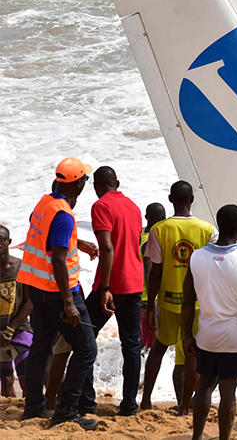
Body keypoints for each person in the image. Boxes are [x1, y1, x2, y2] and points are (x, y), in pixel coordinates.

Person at [18, 157, 100, 429]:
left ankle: (34, 407)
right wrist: (69, 302)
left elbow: (45, 235)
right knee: (86, 349)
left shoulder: (45, 202)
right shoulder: (63, 214)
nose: (85, 183)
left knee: (41, 347)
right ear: (78, 184)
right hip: (58, 292)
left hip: (36, 288)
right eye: (84, 179)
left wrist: (78, 241)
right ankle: (65, 410)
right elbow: (57, 260)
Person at [182, 204, 237, 440]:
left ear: (219, 226)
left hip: (207, 335)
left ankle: (197, 437)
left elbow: (187, 302)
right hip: (235, 338)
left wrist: (187, 335)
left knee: (204, 386)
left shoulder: (196, 257)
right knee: (228, 391)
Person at [141, 180, 215, 414]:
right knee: (191, 352)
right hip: (197, 304)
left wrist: (151, 305)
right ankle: (184, 406)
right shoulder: (208, 230)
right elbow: (214, 269)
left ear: (171, 200)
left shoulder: (159, 229)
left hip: (168, 302)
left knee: (159, 348)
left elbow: (155, 273)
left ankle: (145, 401)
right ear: (192, 200)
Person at [79, 166, 144, 416]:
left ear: (96, 186)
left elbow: (107, 248)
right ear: (117, 183)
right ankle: (129, 405)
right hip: (134, 282)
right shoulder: (133, 206)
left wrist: (105, 288)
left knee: (84, 339)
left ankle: (86, 402)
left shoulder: (101, 206)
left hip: (111, 285)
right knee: (131, 345)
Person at [0, 223, 33, 397]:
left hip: (19, 330)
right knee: (6, 383)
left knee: (27, 379)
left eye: (1, 239)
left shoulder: (21, 267)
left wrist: (10, 329)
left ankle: (32, 410)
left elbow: (29, 301)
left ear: (9, 242)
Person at [139, 202, 166, 349]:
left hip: (138, 295)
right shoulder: (150, 241)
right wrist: (151, 304)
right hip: (148, 298)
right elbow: (149, 272)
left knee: (142, 341)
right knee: (151, 345)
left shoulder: (140, 234)